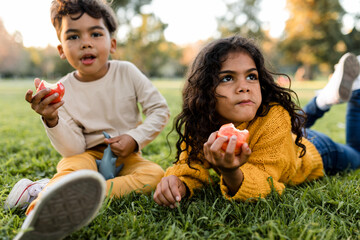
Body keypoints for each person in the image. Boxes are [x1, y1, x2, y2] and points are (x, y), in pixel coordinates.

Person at [5, 0, 169, 239]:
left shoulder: (128, 73)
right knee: (71, 168)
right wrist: (52, 119)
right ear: (61, 49)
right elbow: (73, 148)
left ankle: (62, 192)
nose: (86, 42)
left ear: (112, 43)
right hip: (87, 156)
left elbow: (159, 109)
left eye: (95, 33)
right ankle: (39, 208)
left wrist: (134, 139)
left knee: (154, 175)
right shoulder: (62, 90)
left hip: (127, 157)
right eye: (73, 37)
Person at [153, 35, 360, 208]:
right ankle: (324, 99)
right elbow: (190, 166)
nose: (245, 87)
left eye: (251, 76)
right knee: (293, 121)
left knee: (356, 153)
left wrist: (231, 171)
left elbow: (267, 181)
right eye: (227, 78)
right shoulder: (201, 122)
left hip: (317, 150)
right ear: (205, 90)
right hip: (284, 138)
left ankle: (357, 91)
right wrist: (178, 183)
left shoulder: (274, 116)